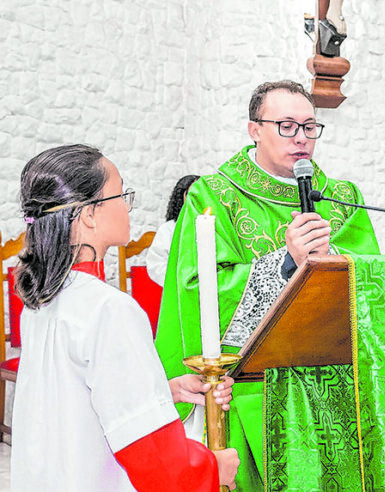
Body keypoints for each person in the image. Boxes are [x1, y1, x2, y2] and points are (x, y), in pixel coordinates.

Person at [154, 80, 380, 491]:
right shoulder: (214, 196)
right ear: (254, 129)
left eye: (310, 127)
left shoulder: (343, 197)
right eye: (287, 126)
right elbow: (198, 289)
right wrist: (285, 262)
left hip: (332, 386)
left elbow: (370, 284)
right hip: (253, 389)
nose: (302, 139)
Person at [11, 145, 240, 491]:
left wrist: (165, 391)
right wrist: (213, 467)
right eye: (121, 193)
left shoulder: (42, 298)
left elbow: (71, 403)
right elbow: (156, 462)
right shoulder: (109, 308)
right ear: (89, 214)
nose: (127, 205)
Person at [146, 174, 200, 286]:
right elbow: (156, 264)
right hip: (179, 288)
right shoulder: (168, 230)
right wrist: (183, 280)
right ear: (181, 198)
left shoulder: (215, 227)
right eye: (192, 195)